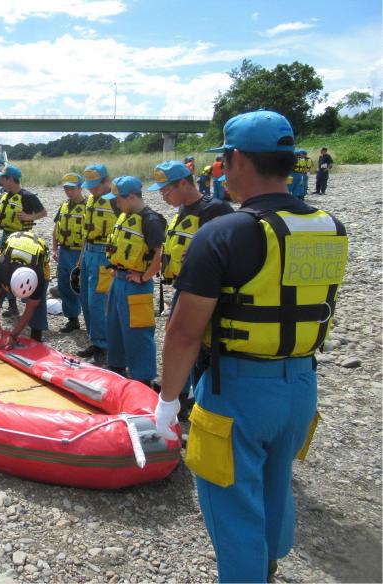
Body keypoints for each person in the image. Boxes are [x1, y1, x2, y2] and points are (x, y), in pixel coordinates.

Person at [156, 111, 348, 582]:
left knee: (233, 505)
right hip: (302, 385)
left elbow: (183, 332)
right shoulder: (331, 226)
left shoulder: (223, 232)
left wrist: (167, 402)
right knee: (275, 484)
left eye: (223, 158)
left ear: (235, 159)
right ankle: (269, 564)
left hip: (237, 390)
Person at [150, 160, 233, 413]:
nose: (164, 197)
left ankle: (198, 398)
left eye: (166, 191)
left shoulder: (215, 210)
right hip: (184, 288)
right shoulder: (184, 211)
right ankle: (180, 392)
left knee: (196, 344)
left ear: (184, 183)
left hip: (205, 293)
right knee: (177, 339)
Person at [103, 176, 165, 385]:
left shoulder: (151, 220)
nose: (116, 204)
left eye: (118, 199)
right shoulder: (125, 215)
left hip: (137, 286)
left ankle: (143, 379)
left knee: (138, 334)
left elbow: (160, 255)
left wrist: (144, 276)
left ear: (131, 197)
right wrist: (115, 268)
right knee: (115, 327)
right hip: (119, 281)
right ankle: (117, 370)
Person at [0, 164, 46, 322]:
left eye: (3, 178)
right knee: (3, 271)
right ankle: (12, 306)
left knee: (19, 270)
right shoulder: (6, 194)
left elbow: (43, 212)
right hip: (6, 236)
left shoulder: (28, 196)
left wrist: (29, 217)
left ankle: (27, 307)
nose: (1, 181)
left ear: (10, 179)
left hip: (22, 239)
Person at [77, 163, 119, 366]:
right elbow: (87, 230)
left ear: (106, 181)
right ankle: (95, 340)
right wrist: (81, 256)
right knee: (85, 299)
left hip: (105, 255)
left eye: (95, 185)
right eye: (89, 186)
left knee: (98, 302)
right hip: (89, 253)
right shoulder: (91, 200)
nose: (91, 190)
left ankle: (104, 346)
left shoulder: (116, 201)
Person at [0, 231, 49, 344]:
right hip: (13, 246)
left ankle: (36, 335)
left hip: (37, 254)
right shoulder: (0, 268)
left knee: (39, 305)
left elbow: (30, 308)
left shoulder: (39, 277)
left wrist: (14, 335)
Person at [51, 172, 85, 333]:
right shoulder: (64, 206)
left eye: (72, 188)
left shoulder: (87, 207)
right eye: (66, 188)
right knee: (64, 285)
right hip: (64, 251)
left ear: (80, 187)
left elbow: (89, 235)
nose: (69, 192)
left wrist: (82, 256)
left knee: (81, 286)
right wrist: (54, 248)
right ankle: (73, 319)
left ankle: (92, 323)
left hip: (79, 251)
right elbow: (56, 228)